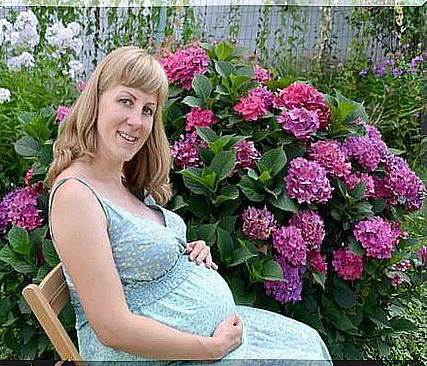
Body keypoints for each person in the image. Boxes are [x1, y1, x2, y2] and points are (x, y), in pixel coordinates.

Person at [47, 46, 332, 364]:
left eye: (148, 110)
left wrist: (181, 251)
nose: (136, 121)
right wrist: (211, 349)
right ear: (96, 101)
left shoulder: (122, 178)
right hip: (160, 355)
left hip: (201, 341)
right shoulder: (76, 197)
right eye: (125, 101)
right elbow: (112, 328)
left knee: (306, 343)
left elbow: (134, 253)